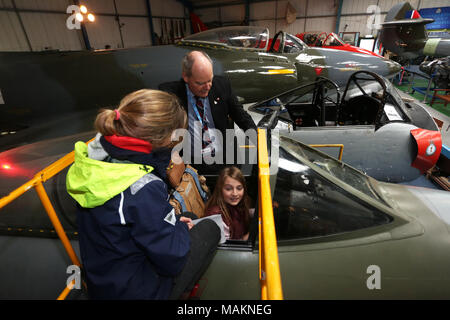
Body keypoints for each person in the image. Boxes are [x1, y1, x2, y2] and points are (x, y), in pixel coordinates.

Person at [66, 89, 220, 300]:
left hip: (104, 279)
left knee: (190, 218)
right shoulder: (143, 186)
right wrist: (180, 229)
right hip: (137, 291)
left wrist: (174, 222)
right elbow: (172, 258)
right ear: (161, 140)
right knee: (209, 228)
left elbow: (134, 219)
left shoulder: (95, 157)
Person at [158, 50, 256, 169]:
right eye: (200, 83)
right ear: (186, 77)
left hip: (226, 159)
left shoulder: (222, 85)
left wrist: (260, 141)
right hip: (192, 164)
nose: (207, 87)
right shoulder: (170, 95)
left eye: (210, 80)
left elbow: (241, 116)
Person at [204, 166, 251, 241]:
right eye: (228, 189)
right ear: (220, 190)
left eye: (239, 188)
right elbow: (226, 247)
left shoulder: (240, 204)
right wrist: (250, 235)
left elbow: (245, 211)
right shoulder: (215, 216)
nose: (235, 193)